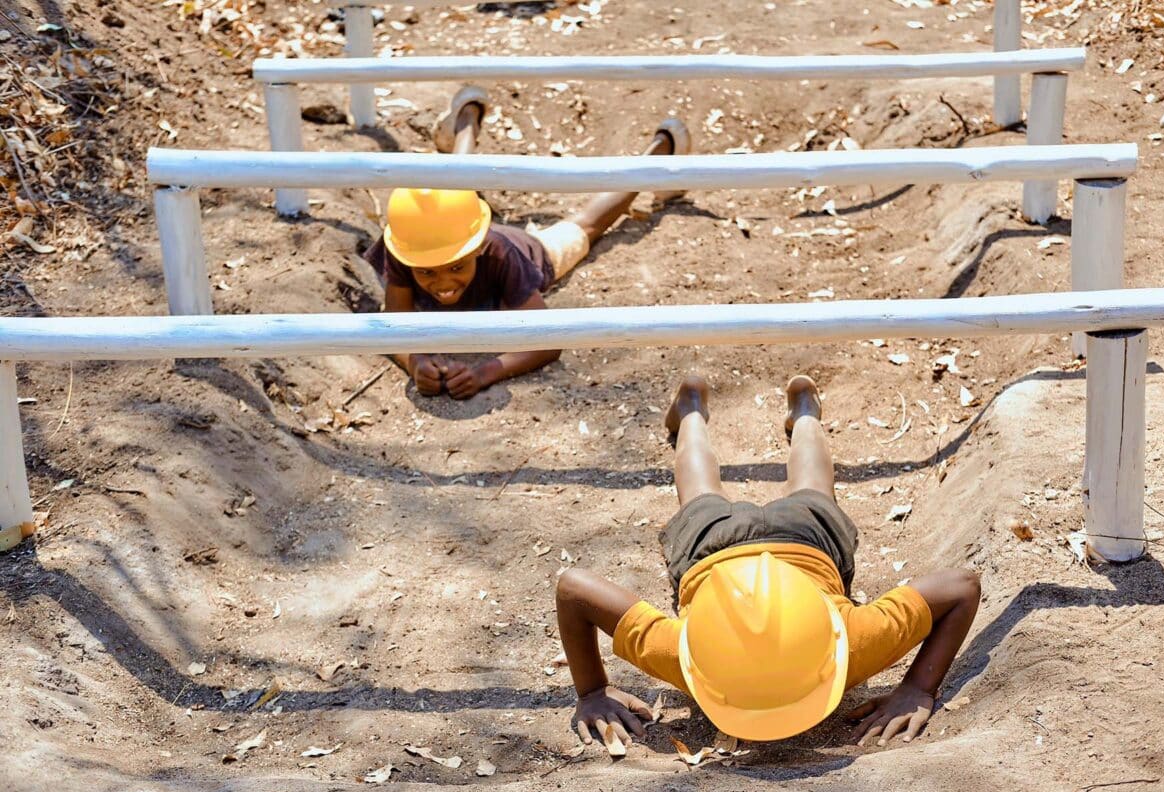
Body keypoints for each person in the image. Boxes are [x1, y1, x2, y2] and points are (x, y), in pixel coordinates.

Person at [555, 374, 981, 747]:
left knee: (708, 486)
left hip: (776, 545)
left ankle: (692, 413)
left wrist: (593, 691)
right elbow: (962, 586)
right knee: (787, 485)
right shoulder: (850, 647)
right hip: (739, 547)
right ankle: (804, 416)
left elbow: (572, 586)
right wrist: (918, 687)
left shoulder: (852, 645)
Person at [363, 86, 692, 400]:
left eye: (456, 266)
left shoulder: (506, 255)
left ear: (478, 247)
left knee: (586, 226)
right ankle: (466, 122)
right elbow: (396, 323)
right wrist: (414, 361)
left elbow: (546, 343)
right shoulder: (411, 244)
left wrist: (484, 373)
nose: (444, 281)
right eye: (427, 273)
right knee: (456, 191)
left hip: (530, 248)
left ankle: (657, 154)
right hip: (460, 225)